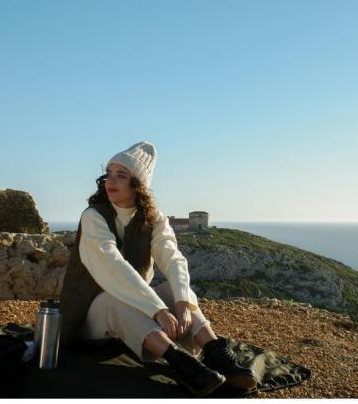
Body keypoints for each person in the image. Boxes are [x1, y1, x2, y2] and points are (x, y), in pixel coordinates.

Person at [59, 141, 257, 397]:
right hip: (86, 317)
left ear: (138, 184)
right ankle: (182, 363)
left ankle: (216, 354)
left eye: (121, 175)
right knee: (115, 300)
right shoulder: (93, 216)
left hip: (135, 313)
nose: (111, 181)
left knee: (174, 291)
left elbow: (173, 258)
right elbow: (114, 268)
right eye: (109, 174)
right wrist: (159, 311)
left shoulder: (153, 218)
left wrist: (183, 302)